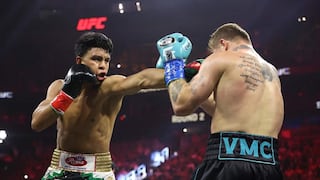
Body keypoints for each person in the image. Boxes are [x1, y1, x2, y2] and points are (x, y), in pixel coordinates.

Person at [31, 31, 193, 179]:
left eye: (106, 60)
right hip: (58, 168)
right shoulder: (58, 87)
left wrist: (183, 70)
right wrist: (66, 94)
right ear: (79, 61)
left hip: (96, 171)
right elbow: (37, 123)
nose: (103, 65)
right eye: (96, 59)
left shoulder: (109, 86)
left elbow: (143, 80)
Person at [157, 23, 284, 179]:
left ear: (223, 44)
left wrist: (172, 64)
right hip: (269, 167)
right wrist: (193, 84)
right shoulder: (271, 72)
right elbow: (228, 111)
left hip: (227, 161)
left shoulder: (221, 57)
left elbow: (181, 104)